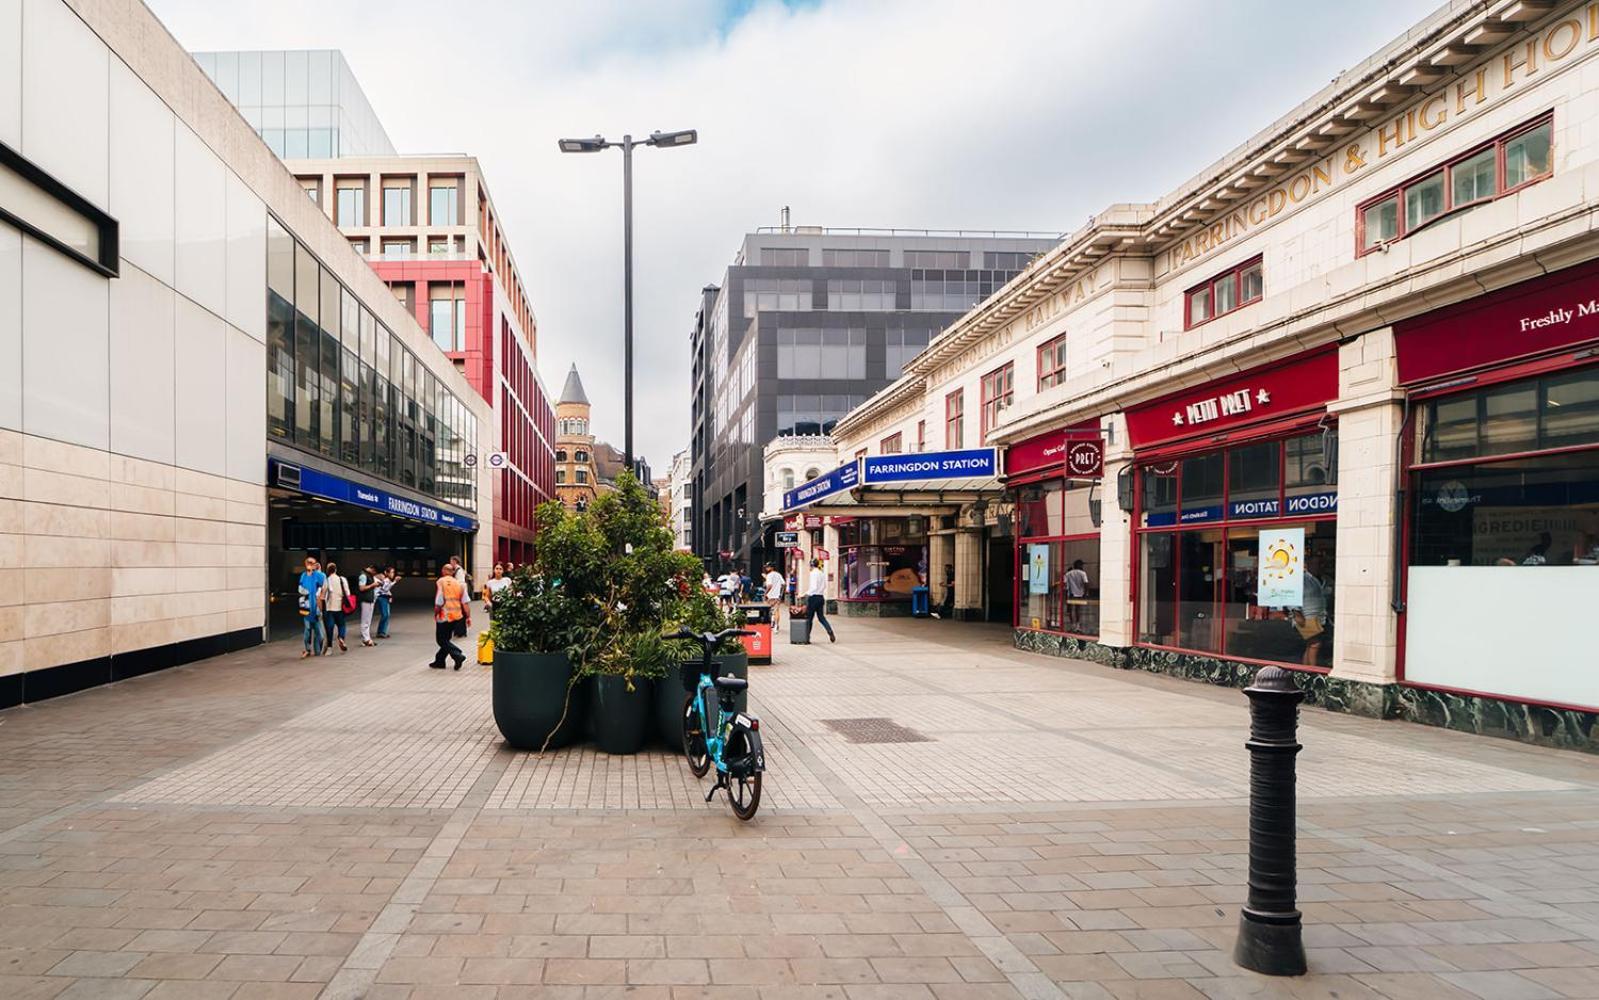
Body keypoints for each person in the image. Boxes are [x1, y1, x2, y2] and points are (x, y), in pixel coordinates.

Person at [430, 564, 470, 670]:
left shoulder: (441, 582)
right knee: (446, 639)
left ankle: (458, 655)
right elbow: (465, 602)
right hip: (456, 616)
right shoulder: (459, 584)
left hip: (444, 615)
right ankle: (440, 661)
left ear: (443, 571)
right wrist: (468, 617)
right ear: (452, 572)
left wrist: (435, 612)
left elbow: (439, 600)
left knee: (441, 640)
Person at [297, 557, 326, 659]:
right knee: (307, 631)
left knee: (320, 635)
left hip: (316, 608)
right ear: (305, 564)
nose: (310, 564)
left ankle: (317, 651)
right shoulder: (303, 576)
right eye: (308, 563)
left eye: (312, 563)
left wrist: (319, 569)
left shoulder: (318, 575)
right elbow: (300, 588)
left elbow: (324, 586)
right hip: (306, 608)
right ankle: (307, 649)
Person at [322, 562, 351, 653]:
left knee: (329, 628)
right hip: (340, 607)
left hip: (330, 608)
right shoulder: (342, 579)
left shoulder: (327, 580)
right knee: (341, 625)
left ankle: (329, 648)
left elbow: (323, 595)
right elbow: (348, 593)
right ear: (336, 570)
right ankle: (341, 638)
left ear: (328, 571)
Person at [804, 558, 835, 643]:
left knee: (809, 618)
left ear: (811, 565)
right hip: (821, 597)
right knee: (821, 617)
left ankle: (807, 637)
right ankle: (830, 631)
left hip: (813, 597)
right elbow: (824, 585)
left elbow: (813, 587)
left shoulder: (813, 573)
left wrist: (805, 593)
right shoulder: (821, 573)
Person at [356, 564, 380, 646]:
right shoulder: (363, 575)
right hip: (365, 600)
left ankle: (367, 638)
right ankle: (365, 638)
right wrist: (372, 585)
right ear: (372, 569)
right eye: (374, 572)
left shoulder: (368, 575)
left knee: (368, 621)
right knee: (365, 620)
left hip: (369, 599)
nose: (374, 574)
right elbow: (361, 588)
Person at [1064, 559, 1090, 629]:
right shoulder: (1083, 573)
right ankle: (1077, 624)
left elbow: (1065, 584)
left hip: (1070, 594)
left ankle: (1072, 624)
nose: (1082, 566)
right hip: (1080, 594)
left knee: (1070, 609)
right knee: (1077, 609)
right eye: (1082, 565)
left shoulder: (1068, 574)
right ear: (1079, 565)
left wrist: (1065, 595)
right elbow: (1086, 583)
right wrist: (1086, 593)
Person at [376, 566, 396, 638]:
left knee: (387, 615)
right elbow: (385, 588)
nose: (393, 574)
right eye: (391, 572)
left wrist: (390, 595)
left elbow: (387, 590)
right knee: (385, 614)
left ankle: (383, 631)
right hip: (382, 597)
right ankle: (381, 632)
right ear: (386, 572)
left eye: (393, 572)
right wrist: (395, 581)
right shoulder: (385, 580)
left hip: (385, 597)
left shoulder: (387, 580)